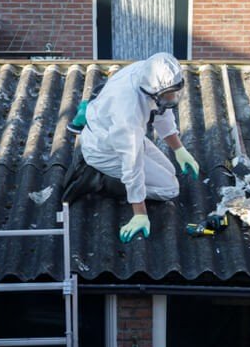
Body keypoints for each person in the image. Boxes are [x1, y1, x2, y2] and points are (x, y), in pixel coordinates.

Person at [63, 52, 199, 243]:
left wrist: (179, 150)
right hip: (105, 150)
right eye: (169, 93)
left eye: (176, 91)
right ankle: (100, 179)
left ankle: (116, 180)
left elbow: (162, 111)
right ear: (154, 91)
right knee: (170, 188)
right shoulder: (127, 113)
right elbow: (131, 163)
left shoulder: (149, 73)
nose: (174, 97)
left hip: (115, 134)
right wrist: (140, 213)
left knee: (169, 171)